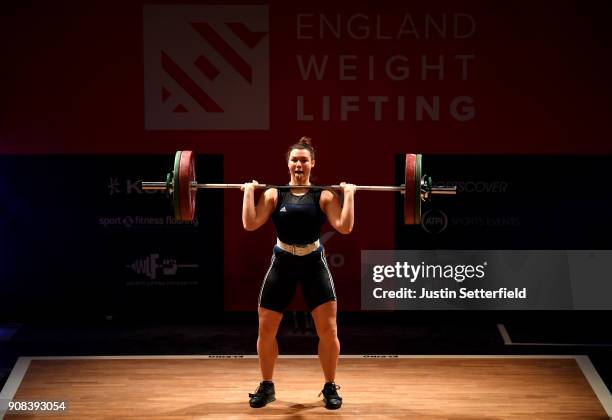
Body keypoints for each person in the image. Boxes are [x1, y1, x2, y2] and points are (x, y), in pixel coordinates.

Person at [241, 136, 355, 410]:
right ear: (288, 163)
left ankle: (330, 387)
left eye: (304, 160)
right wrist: (248, 192)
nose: (299, 164)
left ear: (312, 163)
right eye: (295, 159)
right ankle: (267, 386)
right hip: (282, 263)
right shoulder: (273, 194)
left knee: (328, 330)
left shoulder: (324, 195)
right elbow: (250, 223)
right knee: (266, 329)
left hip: (313, 263)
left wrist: (349, 195)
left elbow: (344, 226)